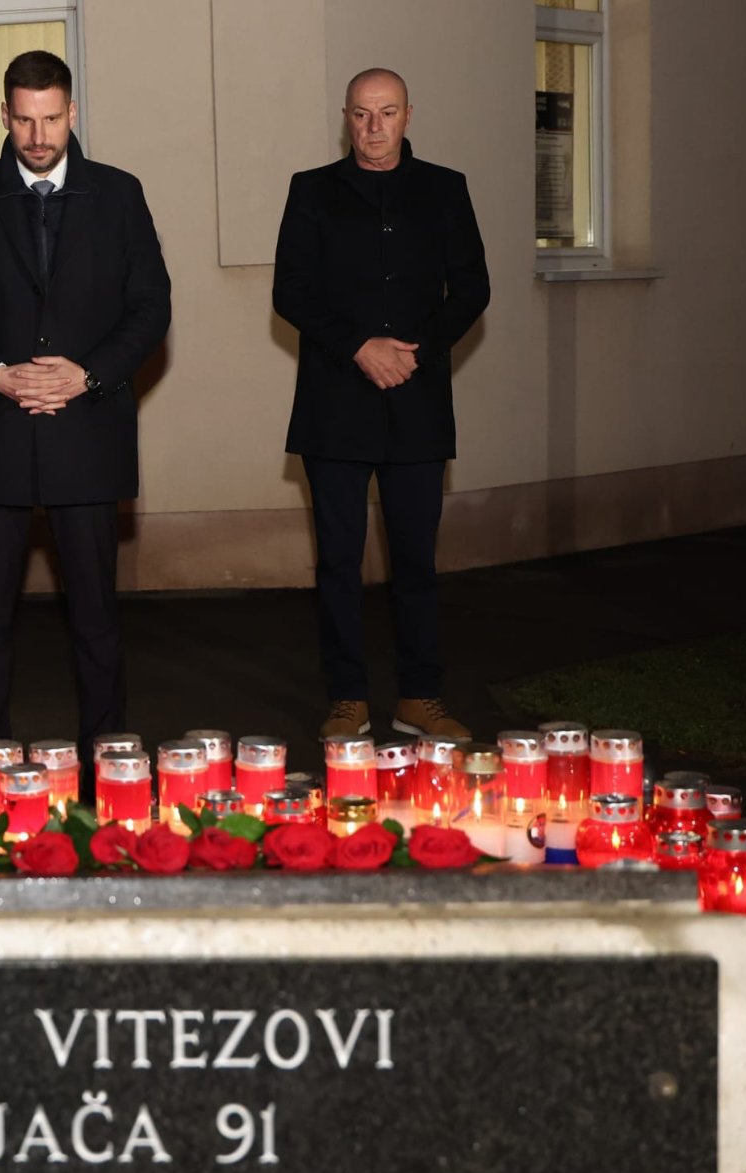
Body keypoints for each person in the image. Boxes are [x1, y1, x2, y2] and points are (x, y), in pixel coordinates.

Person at [0, 50, 172, 757]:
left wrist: (89, 375)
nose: (37, 135)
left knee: (97, 620)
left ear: (72, 112)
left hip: (87, 433)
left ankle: (108, 769)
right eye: (24, 120)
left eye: (51, 119)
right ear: (5, 114)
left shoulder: (119, 194)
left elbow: (151, 306)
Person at [272, 68, 489, 741]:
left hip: (417, 402)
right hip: (335, 402)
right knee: (339, 562)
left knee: (417, 561)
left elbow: (472, 289)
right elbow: (291, 291)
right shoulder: (311, 190)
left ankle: (420, 696)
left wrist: (413, 353)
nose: (374, 126)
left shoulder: (445, 189)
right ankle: (347, 698)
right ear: (346, 117)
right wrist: (360, 347)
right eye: (362, 113)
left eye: (387, 112)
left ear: (407, 115)